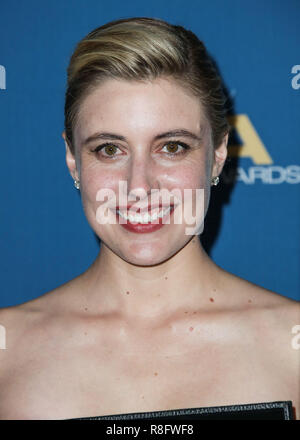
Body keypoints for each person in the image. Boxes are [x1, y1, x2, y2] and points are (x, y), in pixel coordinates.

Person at [0, 17, 299, 420]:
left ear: (219, 153)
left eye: (172, 147)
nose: (138, 186)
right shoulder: (8, 351)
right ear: (74, 161)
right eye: (109, 149)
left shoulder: (291, 348)